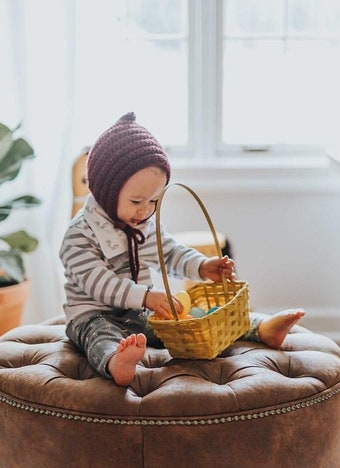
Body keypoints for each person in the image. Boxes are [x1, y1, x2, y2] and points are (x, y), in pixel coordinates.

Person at [60, 113, 305, 386]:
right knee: (100, 335)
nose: (145, 210)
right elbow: (99, 284)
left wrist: (202, 266)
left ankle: (260, 327)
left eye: (154, 200)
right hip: (93, 314)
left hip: (138, 315)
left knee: (193, 321)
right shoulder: (79, 235)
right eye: (136, 200)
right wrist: (147, 297)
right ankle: (116, 362)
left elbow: (171, 251)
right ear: (106, 191)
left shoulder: (143, 224)